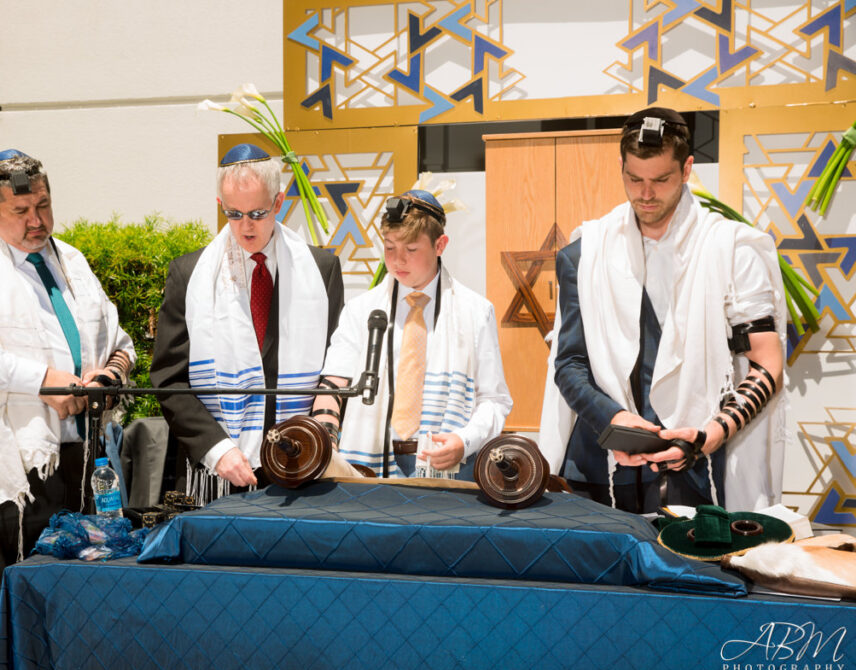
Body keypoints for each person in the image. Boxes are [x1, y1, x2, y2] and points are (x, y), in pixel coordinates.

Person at [0, 149, 135, 662]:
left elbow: (119, 338)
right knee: (5, 588)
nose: (37, 220)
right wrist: (41, 381)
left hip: (82, 454)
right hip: (3, 460)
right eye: (22, 211)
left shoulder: (72, 260)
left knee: (76, 582)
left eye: (44, 205)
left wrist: (108, 375)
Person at [539, 107, 787, 514]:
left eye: (661, 179)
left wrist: (710, 434)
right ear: (621, 166)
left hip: (697, 468)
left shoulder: (731, 250)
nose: (645, 193)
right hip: (598, 469)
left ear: (687, 169)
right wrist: (612, 418)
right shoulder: (586, 253)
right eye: (633, 179)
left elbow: (766, 363)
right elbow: (569, 362)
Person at [150, 143, 344, 501]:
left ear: (279, 202)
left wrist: (320, 434)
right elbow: (168, 379)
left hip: (302, 463)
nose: (245, 226)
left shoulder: (321, 270)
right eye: (233, 214)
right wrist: (216, 448)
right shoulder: (190, 274)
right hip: (220, 468)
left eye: (256, 212)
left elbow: (336, 370)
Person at [312, 190, 512, 479]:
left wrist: (465, 440)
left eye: (411, 249)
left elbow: (495, 400)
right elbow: (333, 384)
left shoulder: (475, 312)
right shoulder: (362, 311)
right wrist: (327, 436)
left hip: (448, 463)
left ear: (440, 245)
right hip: (368, 463)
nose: (397, 261)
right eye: (390, 247)